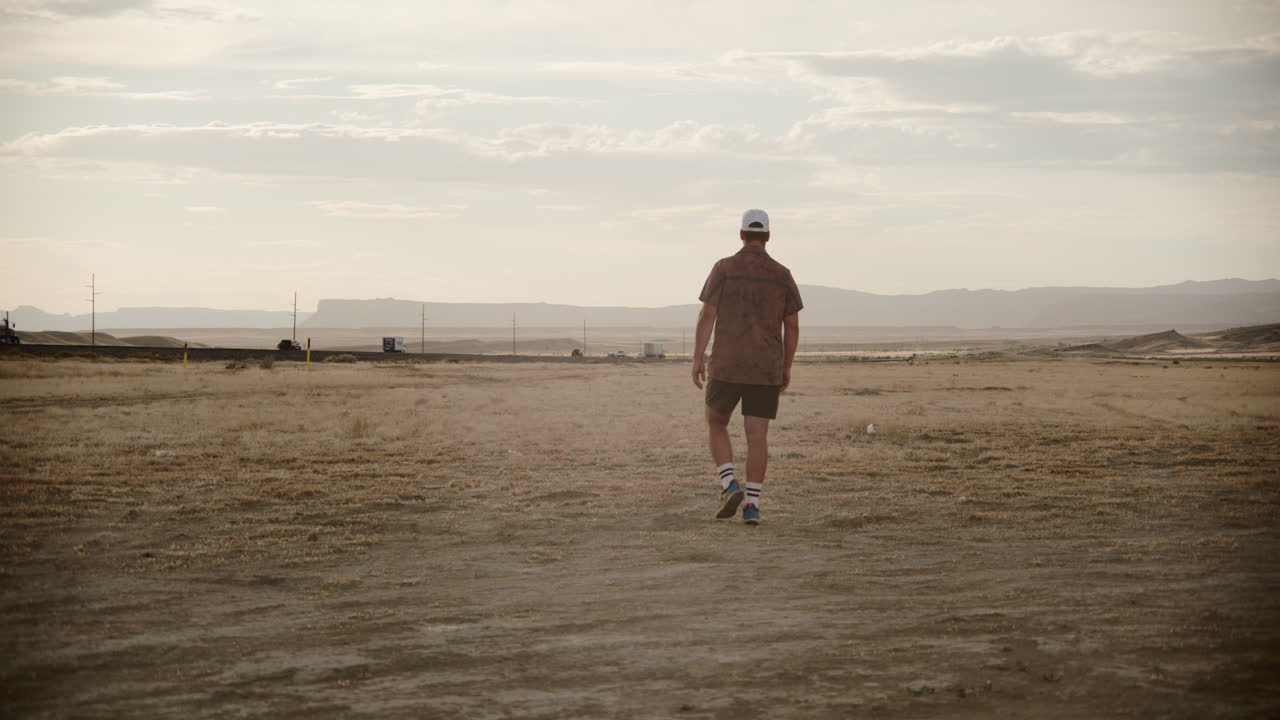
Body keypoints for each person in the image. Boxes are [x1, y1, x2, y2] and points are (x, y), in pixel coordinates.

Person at [691, 209, 802, 525]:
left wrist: (698, 357)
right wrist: (786, 365)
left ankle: (729, 483)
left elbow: (706, 316)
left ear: (741, 234)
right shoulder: (782, 274)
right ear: (768, 236)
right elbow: (792, 326)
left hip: (728, 362)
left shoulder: (724, 269)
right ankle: (752, 505)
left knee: (716, 422)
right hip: (765, 366)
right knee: (757, 436)